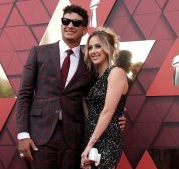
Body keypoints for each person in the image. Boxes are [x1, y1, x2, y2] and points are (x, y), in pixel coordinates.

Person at [16, 5, 126, 169]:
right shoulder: (38, 52)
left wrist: (120, 115)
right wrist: (23, 134)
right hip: (40, 135)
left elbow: (103, 94)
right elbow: (24, 95)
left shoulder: (90, 61)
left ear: (84, 29)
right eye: (66, 21)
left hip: (74, 137)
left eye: (76, 23)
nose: (70, 26)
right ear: (61, 25)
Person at [80, 27, 130, 169]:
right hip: (91, 136)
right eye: (90, 47)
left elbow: (108, 111)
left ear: (108, 49)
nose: (93, 51)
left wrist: (90, 144)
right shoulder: (93, 78)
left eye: (98, 46)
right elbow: (89, 112)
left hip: (107, 138)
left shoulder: (116, 73)